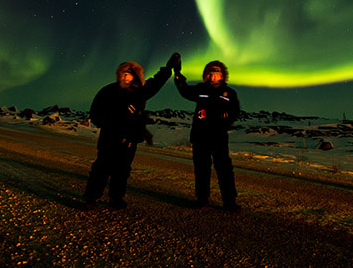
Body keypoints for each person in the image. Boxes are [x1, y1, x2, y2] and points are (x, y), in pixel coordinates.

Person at [84, 52, 181, 210]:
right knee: (102, 167)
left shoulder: (140, 92)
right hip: (109, 137)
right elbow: (95, 109)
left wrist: (169, 67)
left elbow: (156, 82)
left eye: (129, 74)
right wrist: (101, 121)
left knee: (122, 170)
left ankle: (116, 198)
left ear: (135, 76)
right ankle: (91, 197)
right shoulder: (108, 91)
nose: (125, 77)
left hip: (129, 139)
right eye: (123, 74)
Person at [175, 60, 240, 211]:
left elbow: (235, 111)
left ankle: (229, 201)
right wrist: (178, 77)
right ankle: (202, 199)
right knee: (201, 169)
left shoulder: (229, 93)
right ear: (207, 76)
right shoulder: (201, 89)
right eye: (210, 73)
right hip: (200, 136)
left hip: (218, 137)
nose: (213, 76)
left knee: (224, 169)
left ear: (222, 75)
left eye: (216, 73)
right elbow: (185, 91)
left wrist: (225, 117)